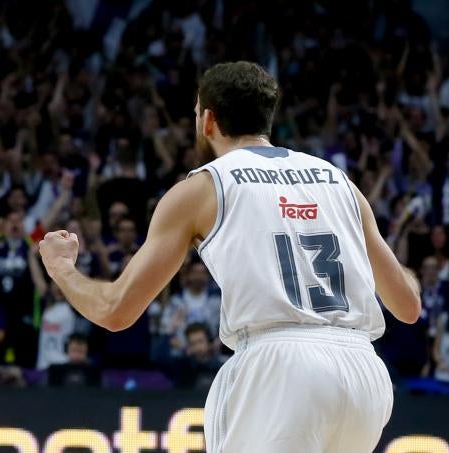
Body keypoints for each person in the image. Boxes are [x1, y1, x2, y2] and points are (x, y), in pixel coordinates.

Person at [39, 61, 421, 453]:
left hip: (282, 364)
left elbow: (115, 310)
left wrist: (61, 268)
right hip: (364, 374)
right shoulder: (339, 182)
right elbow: (408, 306)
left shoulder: (205, 186)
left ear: (208, 119)